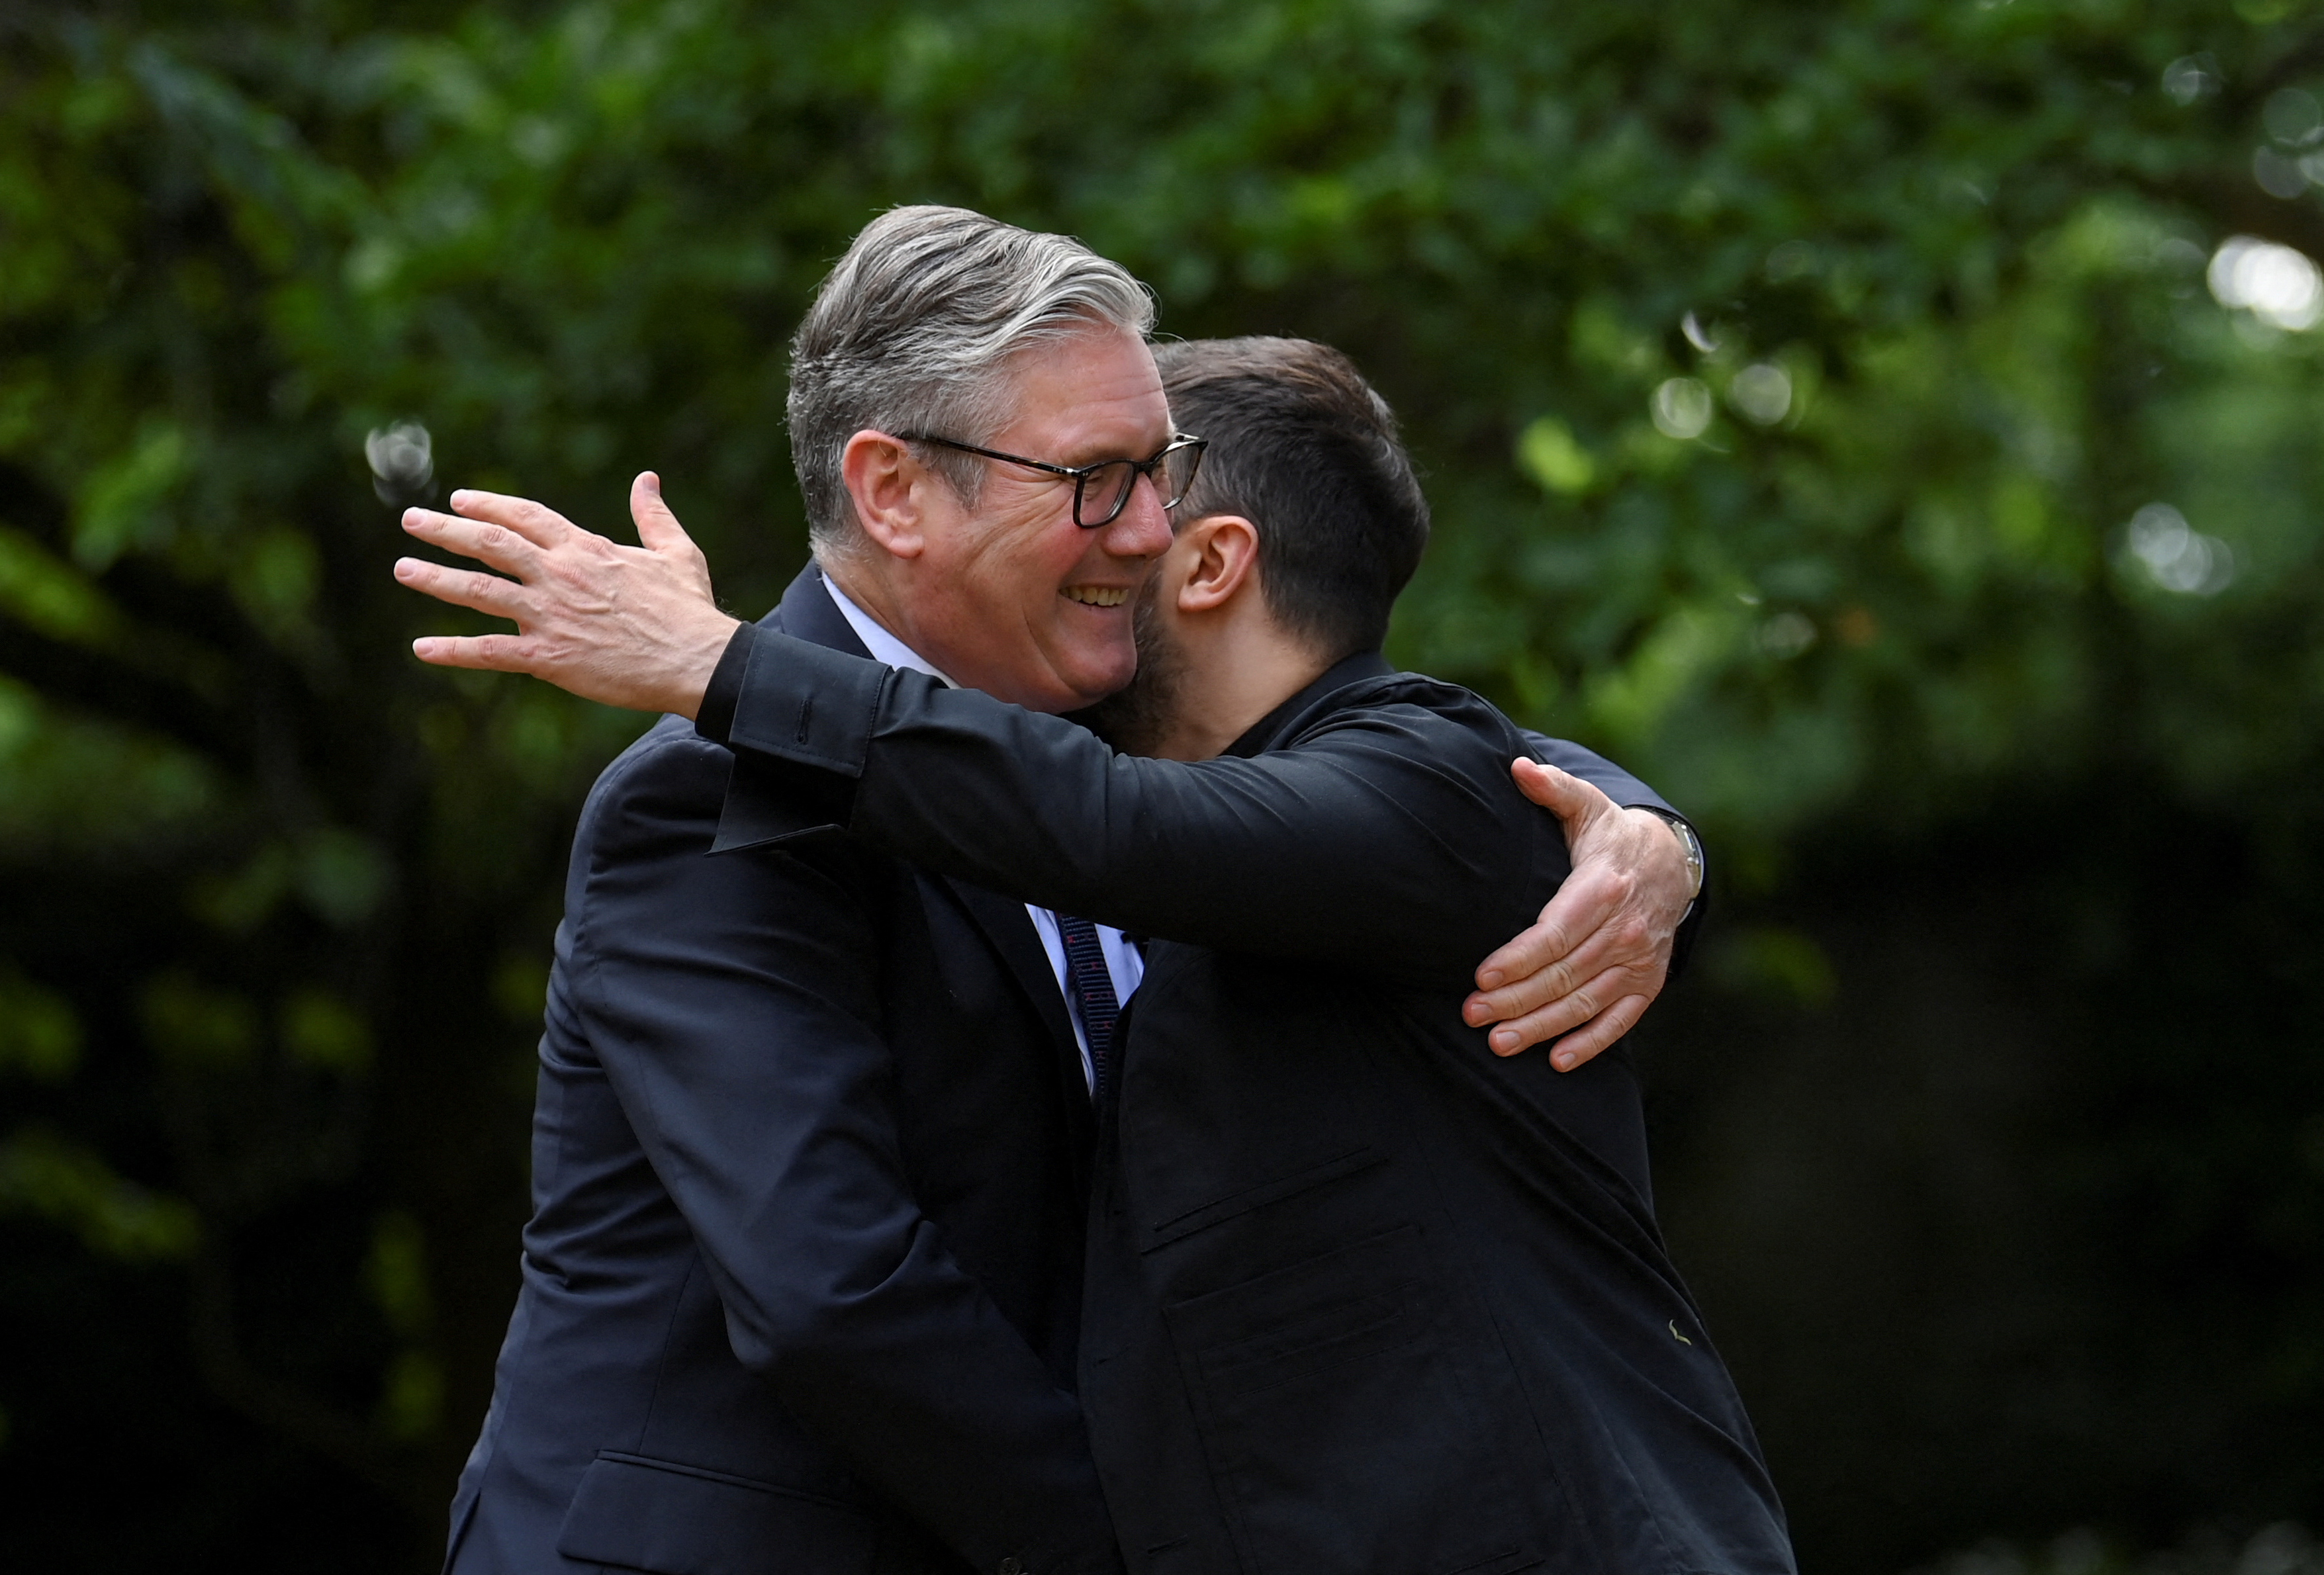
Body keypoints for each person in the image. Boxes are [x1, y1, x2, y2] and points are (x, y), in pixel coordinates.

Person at [396, 208, 1705, 1575]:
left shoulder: (1099, 749)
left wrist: (1646, 832)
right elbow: (836, 1292)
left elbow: (1378, 768)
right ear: (894, 489)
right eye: (1096, 477)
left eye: (1161, 472)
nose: (1148, 532)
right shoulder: (706, 796)